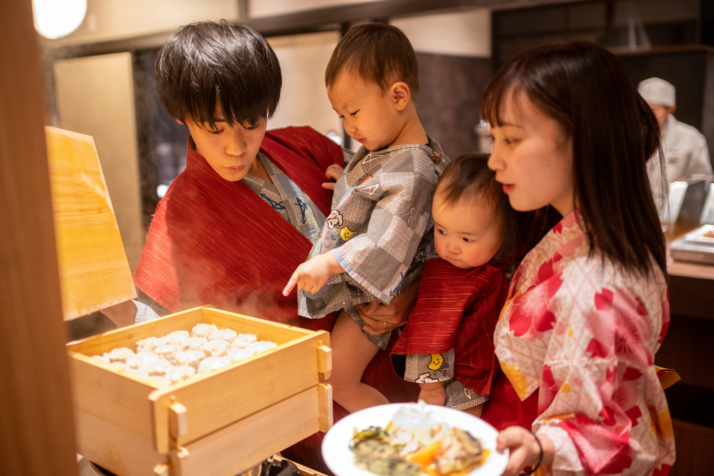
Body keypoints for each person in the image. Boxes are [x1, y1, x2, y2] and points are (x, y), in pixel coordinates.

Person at [102, 21, 419, 471]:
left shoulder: (305, 146)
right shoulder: (180, 212)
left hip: (396, 353)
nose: (236, 146)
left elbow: (402, 222)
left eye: (251, 123)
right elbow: (160, 335)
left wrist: (403, 290)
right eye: (214, 128)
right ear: (182, 117)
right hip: (308, 409)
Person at [479, 42, 675, 475]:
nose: (494, 159)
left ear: (584, 136)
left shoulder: (602, 288)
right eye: (493, 139)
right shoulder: (585, 231)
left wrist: (542, 447)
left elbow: (616, 437)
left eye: (510, 139)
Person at [283, 23, 449, 413]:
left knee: (337, 377)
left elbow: (383, 242)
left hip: (384, 295)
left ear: (398, 96)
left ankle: (396, 437)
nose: (349, 127)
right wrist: (349, 182)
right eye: (341, 115)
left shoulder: (415, 171)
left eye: (354, 112)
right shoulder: (396, 150)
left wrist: (330, 260)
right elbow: (379, 182)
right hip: (384, 291)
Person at [390, 154, 531, 416]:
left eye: (467, 239)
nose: (451, 248)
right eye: (441, 231)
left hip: (491, 368)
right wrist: (431, 386)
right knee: (457, 431)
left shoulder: (505, 260)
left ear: (506, 231)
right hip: (456, 378)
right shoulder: (446, 276)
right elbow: (428, 332)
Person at [638, 77, 712, 184]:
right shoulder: (630, 135)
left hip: (676, 200)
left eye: (654, 110)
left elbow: (703, 179)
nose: (648, 116)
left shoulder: (690, 137)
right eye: (643, 110)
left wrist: (685, 184)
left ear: (670, 109)